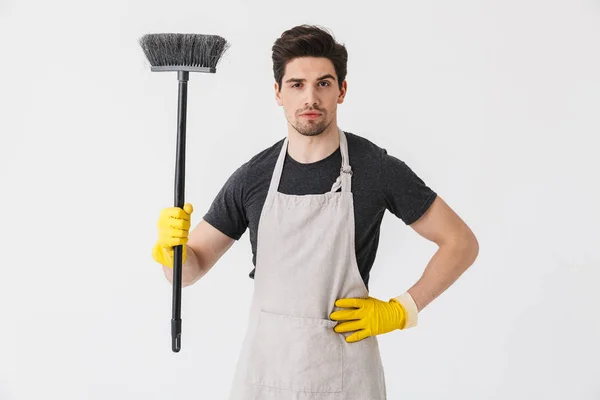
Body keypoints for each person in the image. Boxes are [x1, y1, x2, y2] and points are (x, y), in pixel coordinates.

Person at [152, 24, 479, 400]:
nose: (311, 98)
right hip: (266, 376)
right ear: (278, 93)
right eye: (296, 85)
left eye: (323, 83)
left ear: (341, 90)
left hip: (346, 377)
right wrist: (171, 250)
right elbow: (189, 271)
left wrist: (402, 310)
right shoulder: (254, 177)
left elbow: (460, 243)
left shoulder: (375, 168)